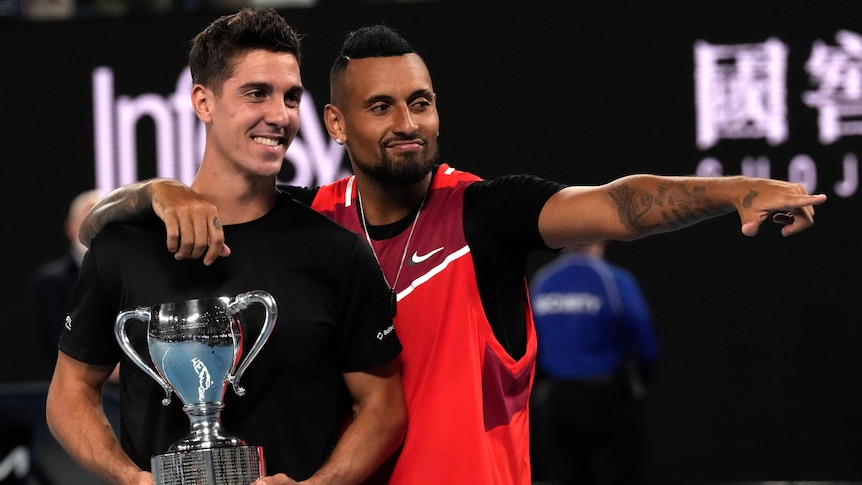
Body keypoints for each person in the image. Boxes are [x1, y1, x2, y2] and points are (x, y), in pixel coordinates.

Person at [77, 25, 826, 485]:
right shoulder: (311, 221)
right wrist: (161, 191)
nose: (409, 122)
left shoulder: (487, 213)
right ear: (335, 122)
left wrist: (734, 189)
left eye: (422, 101)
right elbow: (97, 228)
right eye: (382, 106)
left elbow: (621, 204)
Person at [46, 10, 405, 485]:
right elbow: (69, 391)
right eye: (257, 93)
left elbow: (383, 405)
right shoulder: (124, 248)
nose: (279, 116)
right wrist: (130, 478)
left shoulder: (337, 254)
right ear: (203, 101)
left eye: (291, 96)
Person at [529, 241, 658, 484]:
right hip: (606, 399)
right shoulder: (613, 281)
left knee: (565, 475)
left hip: (557, 402)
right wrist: (640, 384)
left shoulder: (543, 282)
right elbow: (646, 343)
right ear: (601, 237)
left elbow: (527, 344)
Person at [31, 188, 101, 377]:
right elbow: (58, 344)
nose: (93, 229)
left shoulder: (127, 278)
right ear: (70, 227)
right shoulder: (52, 281)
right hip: (71, 383)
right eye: (87, 220)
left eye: (101, 221)